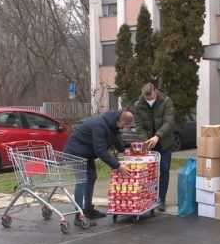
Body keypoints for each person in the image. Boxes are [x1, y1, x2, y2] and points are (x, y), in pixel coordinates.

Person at [64, 110, 133, 226]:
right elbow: (100, 151)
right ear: (120, 121)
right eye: (125, 126)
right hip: (75, 153)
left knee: (91, 177)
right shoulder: (100, 125)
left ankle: (88, 209)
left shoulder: (113, 125)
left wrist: (128, 149)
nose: (125, 129)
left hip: (86, 153)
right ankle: (79, 216)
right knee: (82, 181)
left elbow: (117, 141)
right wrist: (117, 165)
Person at [132, 82, 175, 212]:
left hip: (164, 142)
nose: (149, 100)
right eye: (146, 98)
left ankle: (161, 199)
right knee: (150, 172)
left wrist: (158, 136)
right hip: (149, 144)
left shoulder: (166, 101)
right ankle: (149, 198)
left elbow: (169, 122)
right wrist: (145, 141)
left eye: (150, 98)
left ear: (155, 91)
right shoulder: (138, 105)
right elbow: (139, 126)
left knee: (164, 169)